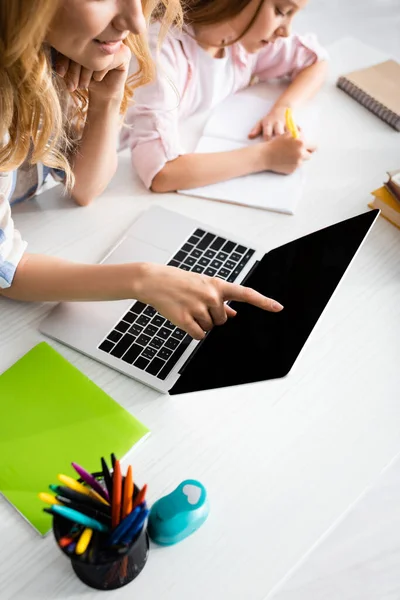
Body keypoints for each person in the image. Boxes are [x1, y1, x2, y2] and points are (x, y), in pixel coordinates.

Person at [0, 0, 283, 342]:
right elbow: (7, 273)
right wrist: (144, 281)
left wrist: (108, 97)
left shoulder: (57, 55)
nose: (135, 22)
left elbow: (85, 187)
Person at [124, 0, 328, 192]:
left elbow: (316, 61)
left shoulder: (241, 42)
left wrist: (283, 108)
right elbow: (160, 173)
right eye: (281, 11)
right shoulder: (160, 51)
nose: (286, 32)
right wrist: (267, 156)